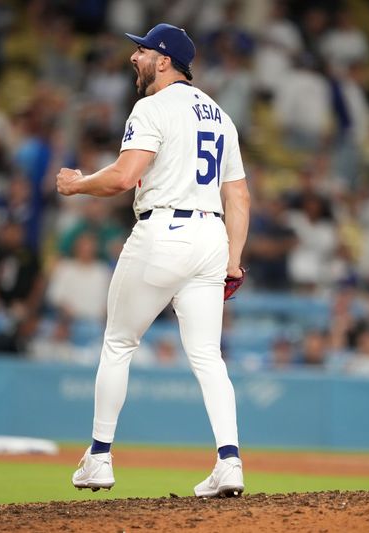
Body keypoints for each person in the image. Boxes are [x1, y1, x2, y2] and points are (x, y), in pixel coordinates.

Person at [56, 23, 250, 498]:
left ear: (164, 60)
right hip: (211, 236)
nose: (132, 58)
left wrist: (79, 184)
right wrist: (233, 261)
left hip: (164, 228)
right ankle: (230, 462)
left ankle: (99, 457)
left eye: (141, 51)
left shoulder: (152, 106)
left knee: (119, 343)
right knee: (208, 357)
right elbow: (239, 196)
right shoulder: (221, 116)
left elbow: (125, 177)